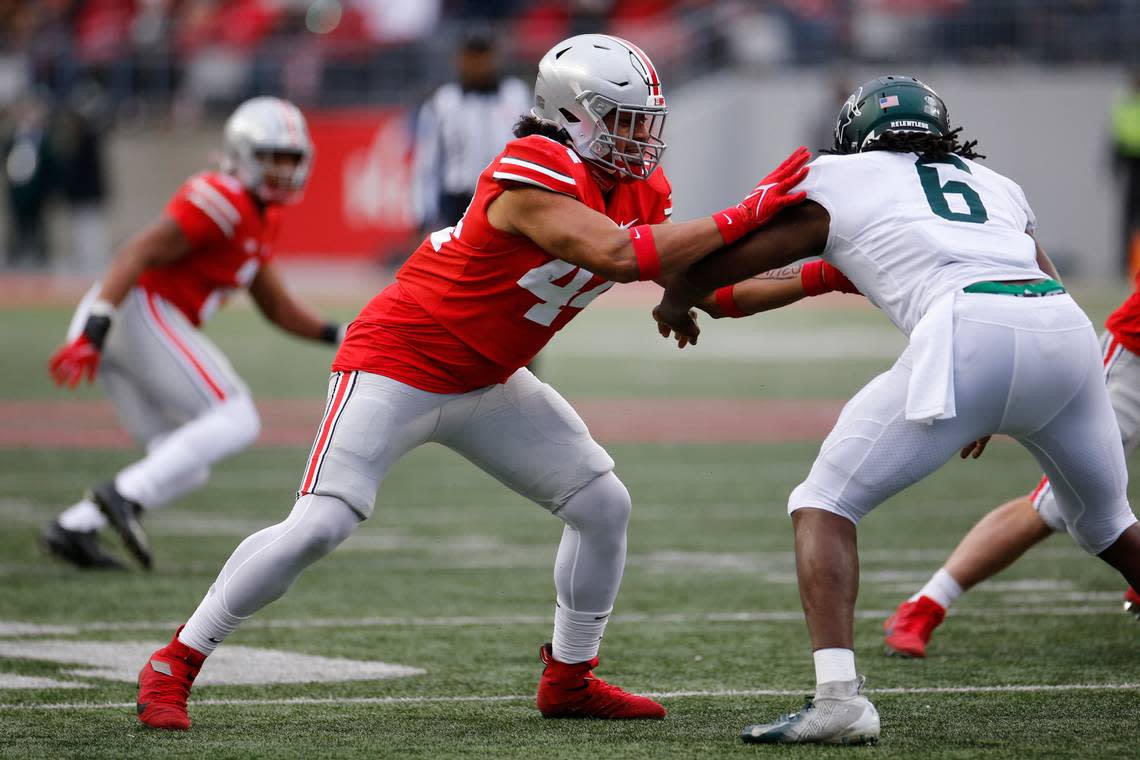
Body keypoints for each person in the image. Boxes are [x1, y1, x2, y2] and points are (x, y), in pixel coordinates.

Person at [130, 33, 810, 731]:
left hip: (486, 380)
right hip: (400, 359)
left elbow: (709, 286)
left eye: (644, 121)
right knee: (321, 524)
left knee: (603, 504)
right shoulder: (533, 162)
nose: (640, 137)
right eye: (624, 119)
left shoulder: (638, 186)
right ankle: (174, 662)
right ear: (573, 114)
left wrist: (820, 272)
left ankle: (570, 679)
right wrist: (748, 212)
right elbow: (613, 253)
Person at [653, 75, 1140, 746]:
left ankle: (839, 700)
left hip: (969, 331)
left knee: (824, 502)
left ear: (855, 137)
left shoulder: (846, 182)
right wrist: (995, 397)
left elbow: (744, 259)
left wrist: (676, 297)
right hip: (1063, 332)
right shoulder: (992, 184)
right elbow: (1043, 278)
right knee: (1111, 526)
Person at [42, 96, 344, 571]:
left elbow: (277, 306)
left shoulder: (260, 215)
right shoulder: (222, 198)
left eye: (292, 159)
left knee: (182, 464)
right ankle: (119, 497)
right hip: (131, 308)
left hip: (129, 317)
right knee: (238, 414)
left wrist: (342, 334)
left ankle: (75, 527)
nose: (285, 170)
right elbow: (135, 251)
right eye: (273, 157)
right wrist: (96, 326)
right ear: (244, 153)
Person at [410, 26, 531, 232]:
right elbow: (427, 163)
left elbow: (530, 147)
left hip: (506, 194)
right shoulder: (443, 101)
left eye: (483, 55)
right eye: (471, 56)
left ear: (495, 57)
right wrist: (423, 215)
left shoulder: (516, 94)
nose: (478, 63)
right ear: (459, 59)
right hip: (458, 200)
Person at [1112, 70, 1140, 275]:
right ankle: (1126, 263)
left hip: (1130, 164)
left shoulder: (1124, 103)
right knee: (1128, 219)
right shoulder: (1124, 104)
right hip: (1130, 164)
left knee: (1129, 218)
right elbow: (1117, 135)